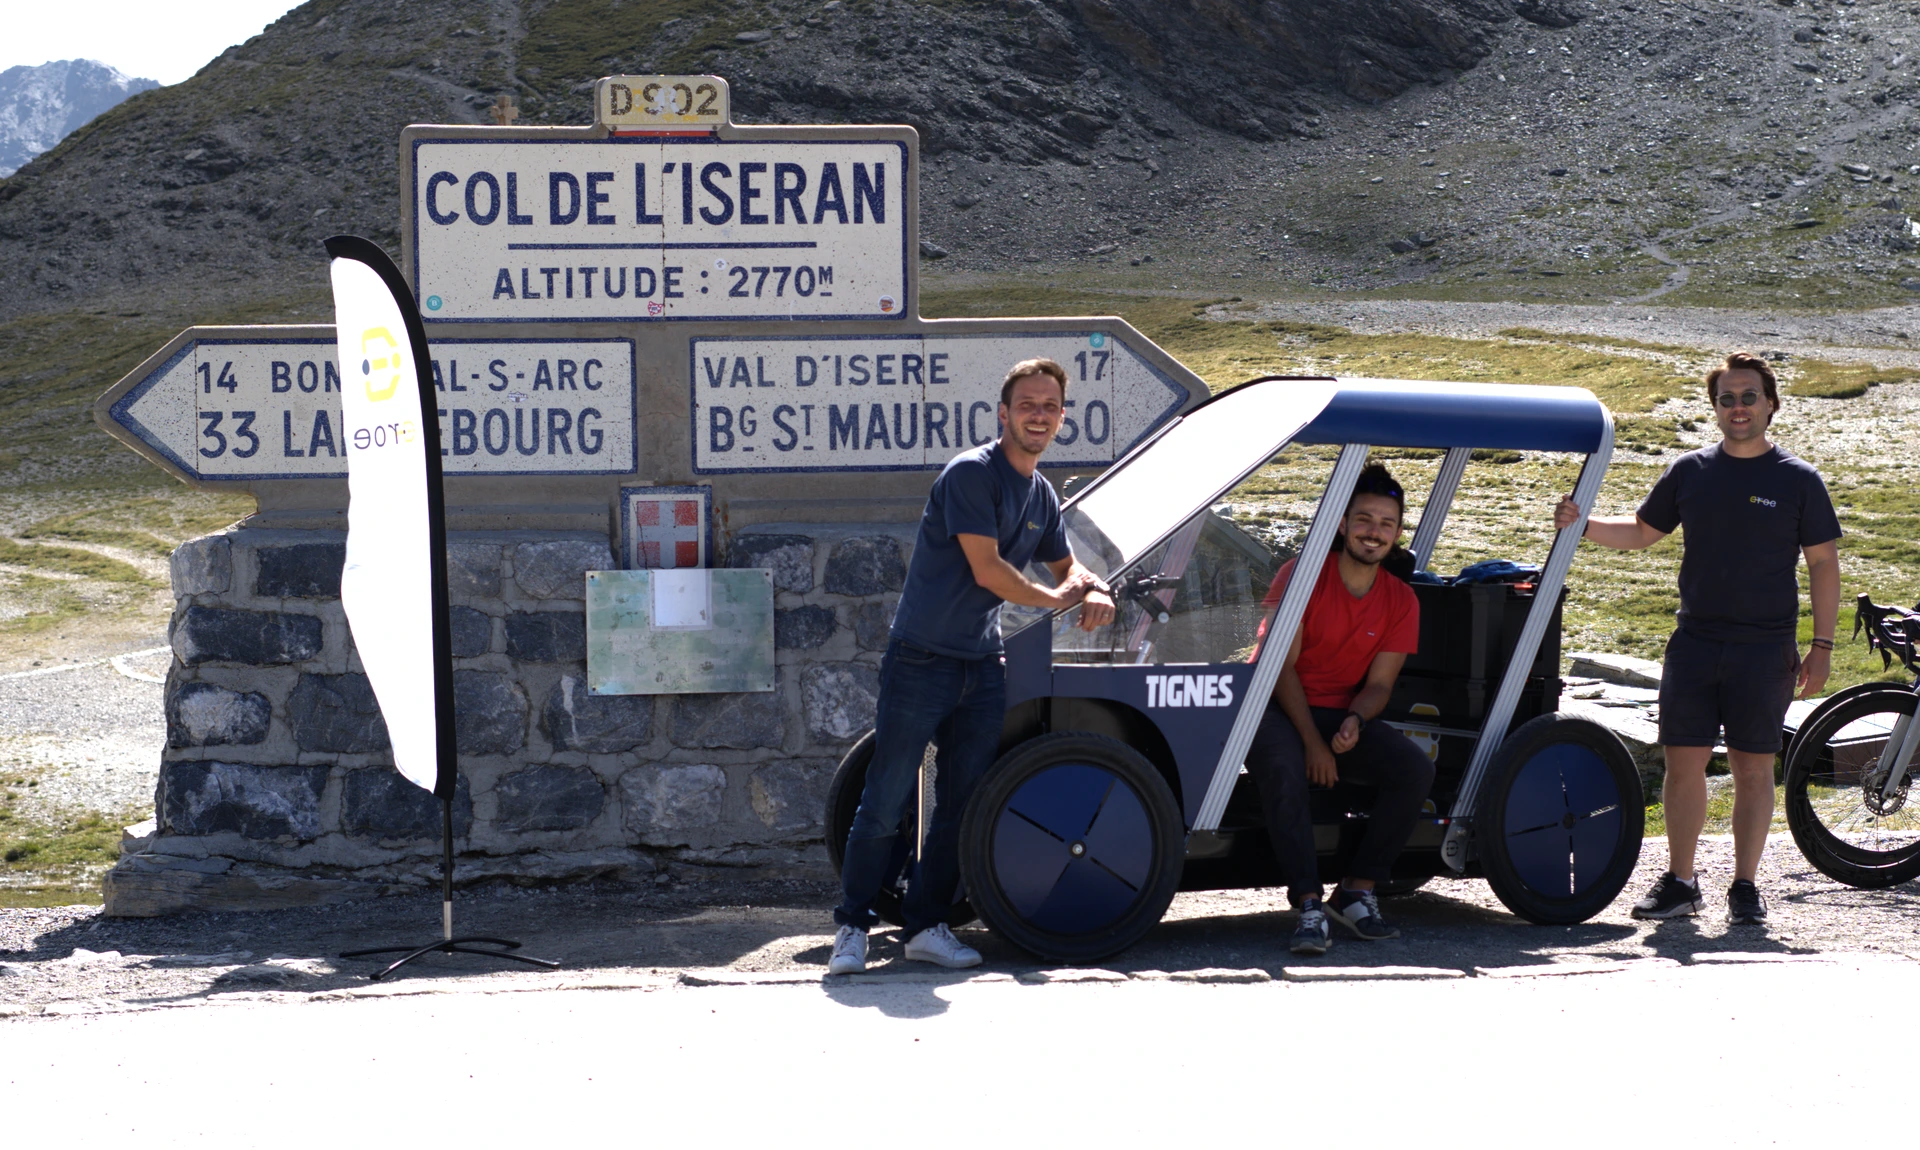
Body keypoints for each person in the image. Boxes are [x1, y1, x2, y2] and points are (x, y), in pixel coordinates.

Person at [829, 358, 1115, 974]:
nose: (1038, 415)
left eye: (1050, 406)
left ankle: (925, 926)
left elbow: (1068, 568)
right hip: (921, 660)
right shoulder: (971, 475)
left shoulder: (1041, 493)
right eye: (1027, 405)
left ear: (1062, 417)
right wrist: (1060, 600)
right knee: (884, 800)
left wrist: (1094, 588)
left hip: (982, 665)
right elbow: (990, 571)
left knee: (961, 805)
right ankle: (851, 928)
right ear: (1004, 413)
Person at [1555, 352, 1840, 926]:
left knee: (1753, 768)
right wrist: (1582, 523)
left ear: (1771, 403)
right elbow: (1641, 531)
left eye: (1749, 396)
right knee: (1683, 764)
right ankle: (1681, 883)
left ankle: (1744, 886)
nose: (1738, 408)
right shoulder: (1690, 470)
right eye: (1727, 399)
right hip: (1695, 643)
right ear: (1715, 408)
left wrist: (1822, 646)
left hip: (1765, 649)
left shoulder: (1799, 480)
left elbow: (1824, 565)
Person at [1244, 463, 1435, 956]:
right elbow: (1278, 669)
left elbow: (1378, 685)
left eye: (1386, 524)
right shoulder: (1300, 574)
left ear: (1396, 535)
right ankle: (1309, 903)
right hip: (1271, 706)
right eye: (1365, 519)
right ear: (1343, 524)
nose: (1374, 532)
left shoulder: (1402, 600)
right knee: (1285, 765)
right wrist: (1313, 743)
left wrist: (1356, 720)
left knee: (1413, 767)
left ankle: (1357, 890)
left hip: (1336, 712)